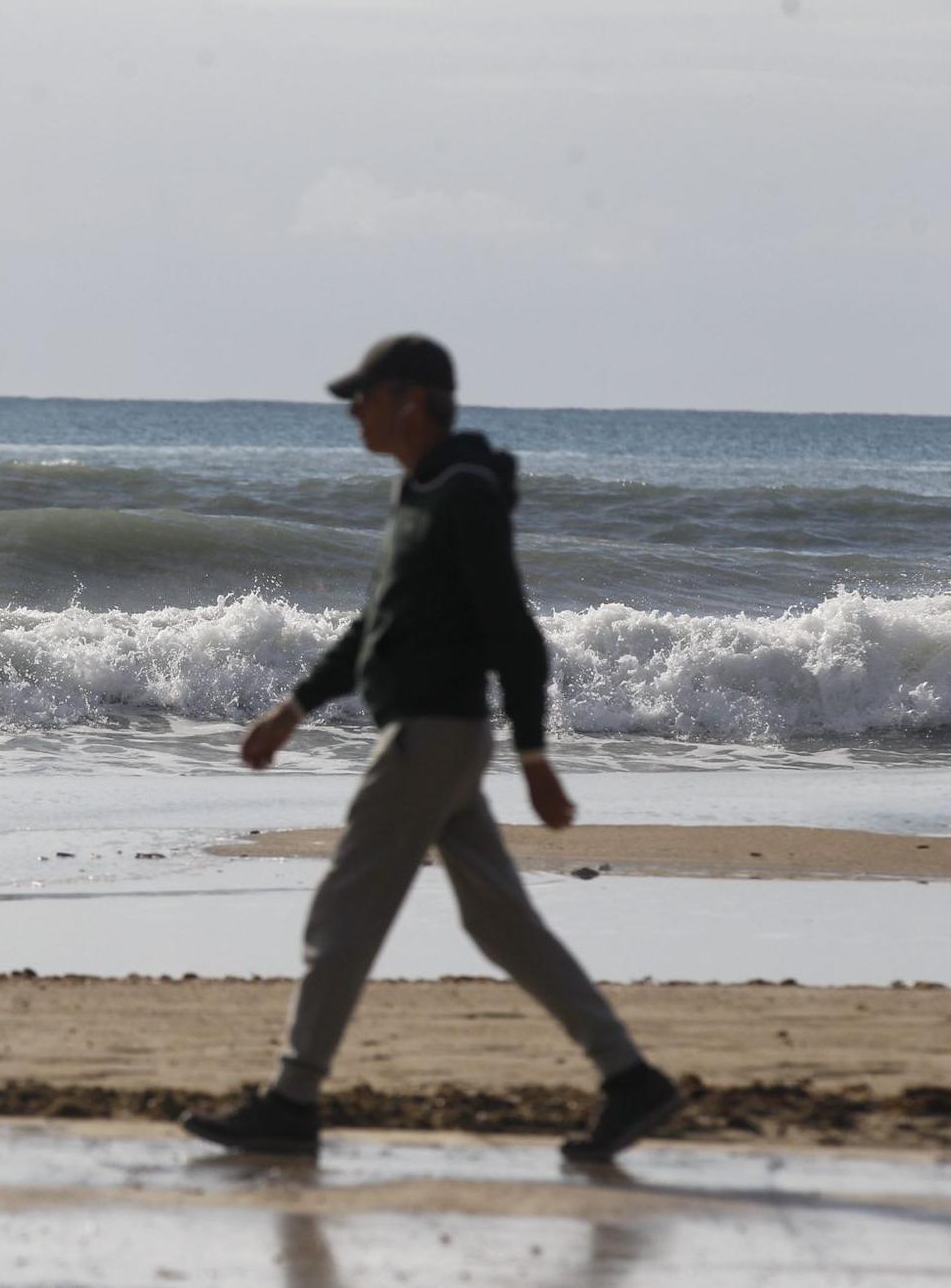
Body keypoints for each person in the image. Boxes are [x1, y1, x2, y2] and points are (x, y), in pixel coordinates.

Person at [180, 334, 678, 1163]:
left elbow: (512, 629)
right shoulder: (420, 492)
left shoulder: (463, 495)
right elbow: (375, 626)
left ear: (410, 400)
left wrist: (534, 755)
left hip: (431, 737)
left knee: (343, 910)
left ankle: (293, 1098)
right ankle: (629, 1077)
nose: (353, 411)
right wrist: (292, 708)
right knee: (501, 922)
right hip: (434, 740)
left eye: (363, 396)